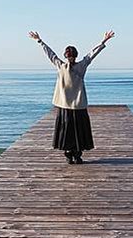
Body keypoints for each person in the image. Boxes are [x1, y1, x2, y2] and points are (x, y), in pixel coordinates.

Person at [28, 30, 115, 164]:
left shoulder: (72, 65)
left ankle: (74, 155)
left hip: (71, 106)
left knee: (72, 131)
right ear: (69, 56)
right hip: (72, 106)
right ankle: (73, 155)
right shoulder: (70, 66)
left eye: (71, 56)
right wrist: (40, 41)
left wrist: (103, 42)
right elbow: (52, 54)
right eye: (70, 56)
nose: (71, 59)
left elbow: (91, 54)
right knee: (73, 131)